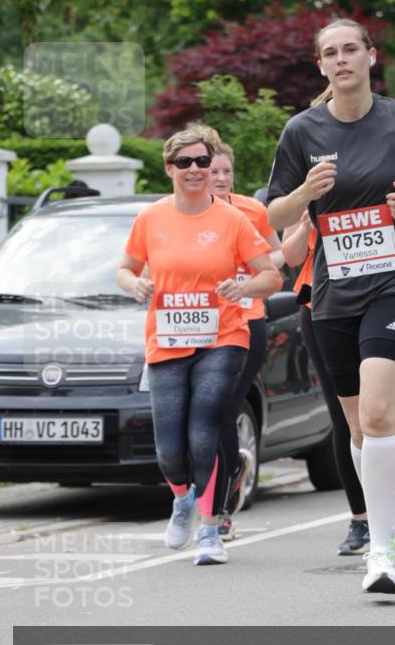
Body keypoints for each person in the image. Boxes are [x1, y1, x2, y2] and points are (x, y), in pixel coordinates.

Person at [267, 18, 395, 594]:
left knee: (380, 414)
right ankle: (390, 534)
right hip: (334, 295)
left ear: (369, 56)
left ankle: (381, 550)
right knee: (360, 429)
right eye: (329, 53)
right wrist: (306, 194)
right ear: (321, 65)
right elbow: (273, 215)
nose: (341, 60)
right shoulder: (301, 131)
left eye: (350, 50)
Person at [117, 124, 282, 565]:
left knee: (205, 427)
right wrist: (136, 285)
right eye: (185, 162)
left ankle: (210, 531)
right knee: (169, 449)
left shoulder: (233, 220)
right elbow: (125, 268)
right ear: (169, 167)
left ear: (213, 167)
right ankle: (182, 498)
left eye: (203, 162)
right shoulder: (151, 218)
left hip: (223, 338)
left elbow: (272, 275)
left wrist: (243, 286)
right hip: (168, 341)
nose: (195, 170)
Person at [282, 208, 395, 555]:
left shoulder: (392, 159)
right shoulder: (306, 171)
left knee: (376, 410)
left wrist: (381, 243)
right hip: (323, 303)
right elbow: (290, 255)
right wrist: (305, 222)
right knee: (345, 418)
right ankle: (362, 518)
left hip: (381, 298)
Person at [208, 139, 285, 541]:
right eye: (213, 171)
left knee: (223, 411)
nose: (220, 178)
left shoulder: (251, 211)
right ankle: (219, 477)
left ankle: (220, 510)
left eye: (226, 171)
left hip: (247, 321)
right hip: (199, 326)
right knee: (201, 415)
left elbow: (278, 256)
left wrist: (248, 271)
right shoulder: (186, 216)